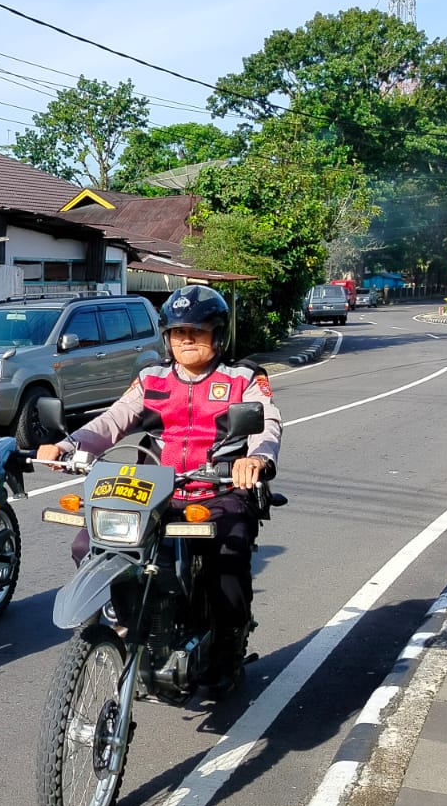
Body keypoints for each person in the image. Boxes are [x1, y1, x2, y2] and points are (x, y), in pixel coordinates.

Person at [35, 284, 282, 693]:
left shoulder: (244, 378)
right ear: (167, 337)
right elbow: (113, 420)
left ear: (217, 336)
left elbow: (266, 424)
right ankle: (130, 617)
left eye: (197, 332)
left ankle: (227, 645)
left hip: (217, 490)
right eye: (178, 332)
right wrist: (70, 445)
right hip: (154, 492)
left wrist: (255, 460)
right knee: (88, 543)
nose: (186, 340)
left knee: (228, 554)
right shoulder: (151, 378)